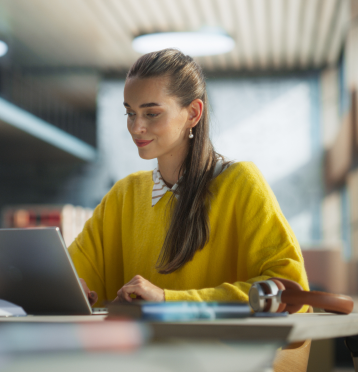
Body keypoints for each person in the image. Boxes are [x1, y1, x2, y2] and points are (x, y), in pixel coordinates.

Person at [68, 48, 309, 308]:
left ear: (193, 113)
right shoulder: (123, 195)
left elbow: (290, 291)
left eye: (151, 113)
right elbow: (74, 272)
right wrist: (72, 286)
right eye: (130, 113)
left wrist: (168, 300)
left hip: (219, 349)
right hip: (140, 349)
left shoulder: (241, 183)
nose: (136, 127)